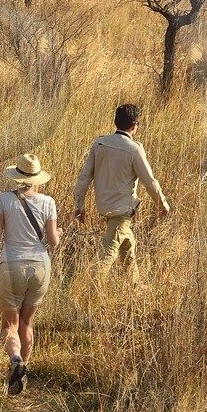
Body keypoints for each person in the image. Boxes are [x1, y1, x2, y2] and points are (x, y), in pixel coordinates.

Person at [0, 153, 61, 396]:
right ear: (37, 178)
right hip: (40, 267)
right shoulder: (48, 202)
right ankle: (21, 375)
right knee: (27, 324)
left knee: (9, 326)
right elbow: (53, 242)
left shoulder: (3, 200)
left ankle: (15, 358)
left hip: (11, 265)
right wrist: (58, 232)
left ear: (16, 176)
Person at [71, 103, 170, 283]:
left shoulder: (100, 143)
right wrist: (162, 204)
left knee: (127, 248)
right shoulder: (134, 149)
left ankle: (135, 288)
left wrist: (79, 205)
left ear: (115, 121)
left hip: (104, 208)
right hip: (120, 213)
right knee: (105, 258)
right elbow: (150, 182)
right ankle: (86, 293)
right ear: (135, 125)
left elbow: (84, 177)